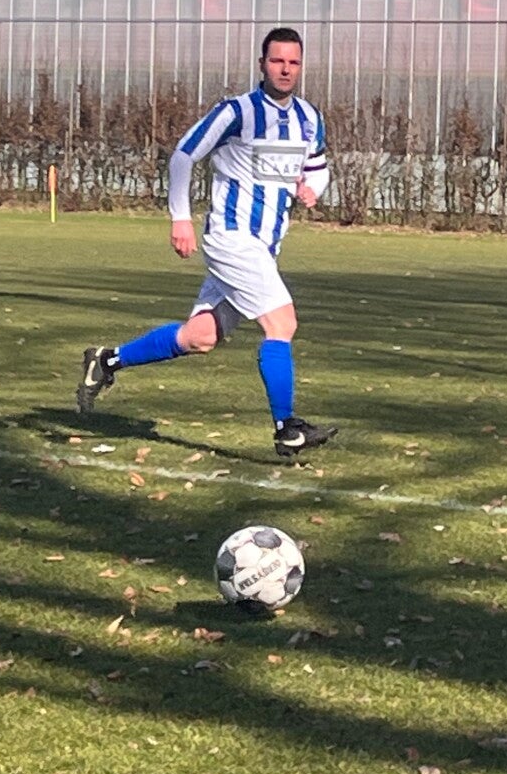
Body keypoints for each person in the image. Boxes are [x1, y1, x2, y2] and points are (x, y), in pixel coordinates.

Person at [75, 27, 337, 458]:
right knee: (282, 324)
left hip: (264, 247)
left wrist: (314, 188)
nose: (285, 69)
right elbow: (184, 154)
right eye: (277, 61)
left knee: (200, 337)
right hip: (232, 239)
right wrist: (180, 217)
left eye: (293, 62)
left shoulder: (309, 117)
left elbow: (319, 165)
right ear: (262, 64)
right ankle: (287, 427)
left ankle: (106, 361)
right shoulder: (236, 112)